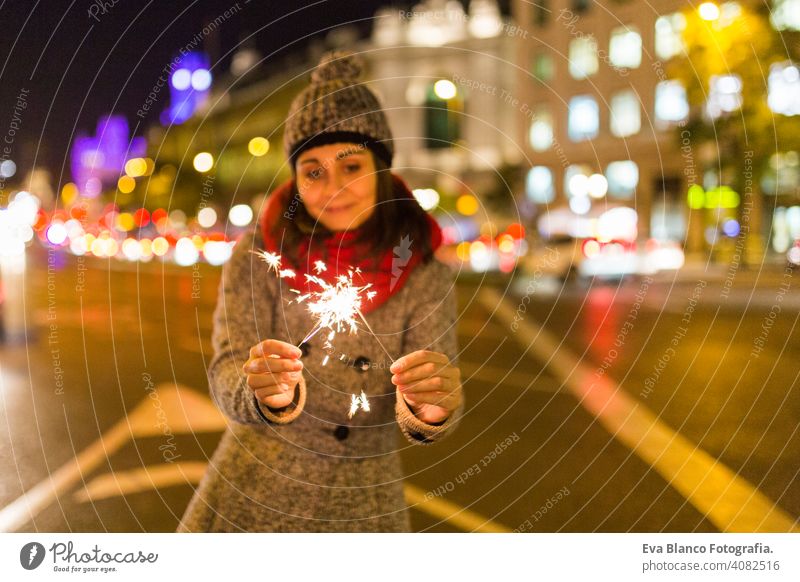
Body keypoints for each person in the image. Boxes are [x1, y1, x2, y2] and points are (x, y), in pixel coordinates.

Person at [176, 50, 464, 533]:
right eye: (314, 171)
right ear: (296, 176)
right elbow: (226, 368)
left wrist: (430, 406)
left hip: (364, 500)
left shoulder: (422, 266)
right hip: (252, 491)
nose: (333, 188)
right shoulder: (257, 255)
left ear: (382, 168)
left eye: (351, 167)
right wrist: (261, 391)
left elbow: (436, 397)